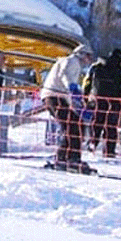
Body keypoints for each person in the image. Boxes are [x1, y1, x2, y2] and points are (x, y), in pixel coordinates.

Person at [39, 44, 94, 172]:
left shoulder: (74, 64)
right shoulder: (71, 60)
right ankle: (71, 158)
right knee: (72, 125)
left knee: (74, 123)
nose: (89, 59)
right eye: (88, 56)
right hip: (53, 95)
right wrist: (72, 87)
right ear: (82, 54)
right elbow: (65, 75)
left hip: (56, 97)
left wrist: (78, 105)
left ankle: (64, 157)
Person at [82, 48, 121, 157]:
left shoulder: (97, 66)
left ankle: (92, 144)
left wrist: (86, 96)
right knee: (111, 126)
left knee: (97, 122)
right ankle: (109, 151)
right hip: (114, 101)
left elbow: (87, 82)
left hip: (98, 98)